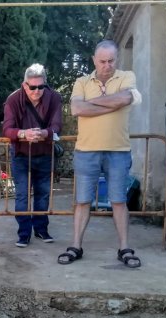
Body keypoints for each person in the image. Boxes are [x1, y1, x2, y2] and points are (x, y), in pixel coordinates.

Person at [57, 40, 142, 267]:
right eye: (102, 61)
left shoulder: (127, 77)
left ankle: (125, 248)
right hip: (86, 151)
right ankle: (75, 245)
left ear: (117, 59)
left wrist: (91, 103)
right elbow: (76, 109)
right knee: (82, 201)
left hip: (119, 151)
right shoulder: (81, 81)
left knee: (119, 201)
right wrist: (111, 102)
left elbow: (126, 98)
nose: (107, 65)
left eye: (111, 60)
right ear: (94, 60)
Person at [3, 63, 62, 247]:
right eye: (32, 87)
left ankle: (41, 229)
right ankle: (24, 233)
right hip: (21, 154)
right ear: (24, 85)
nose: (36, 91)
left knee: (43, 194)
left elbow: (57, 126)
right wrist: (23, 134)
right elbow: (7, 128)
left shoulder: (54, 98)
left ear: (45, 84)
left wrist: (44, 134)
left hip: (44, 153)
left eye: (40, 87)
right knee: (21, 195)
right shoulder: (13, 100)